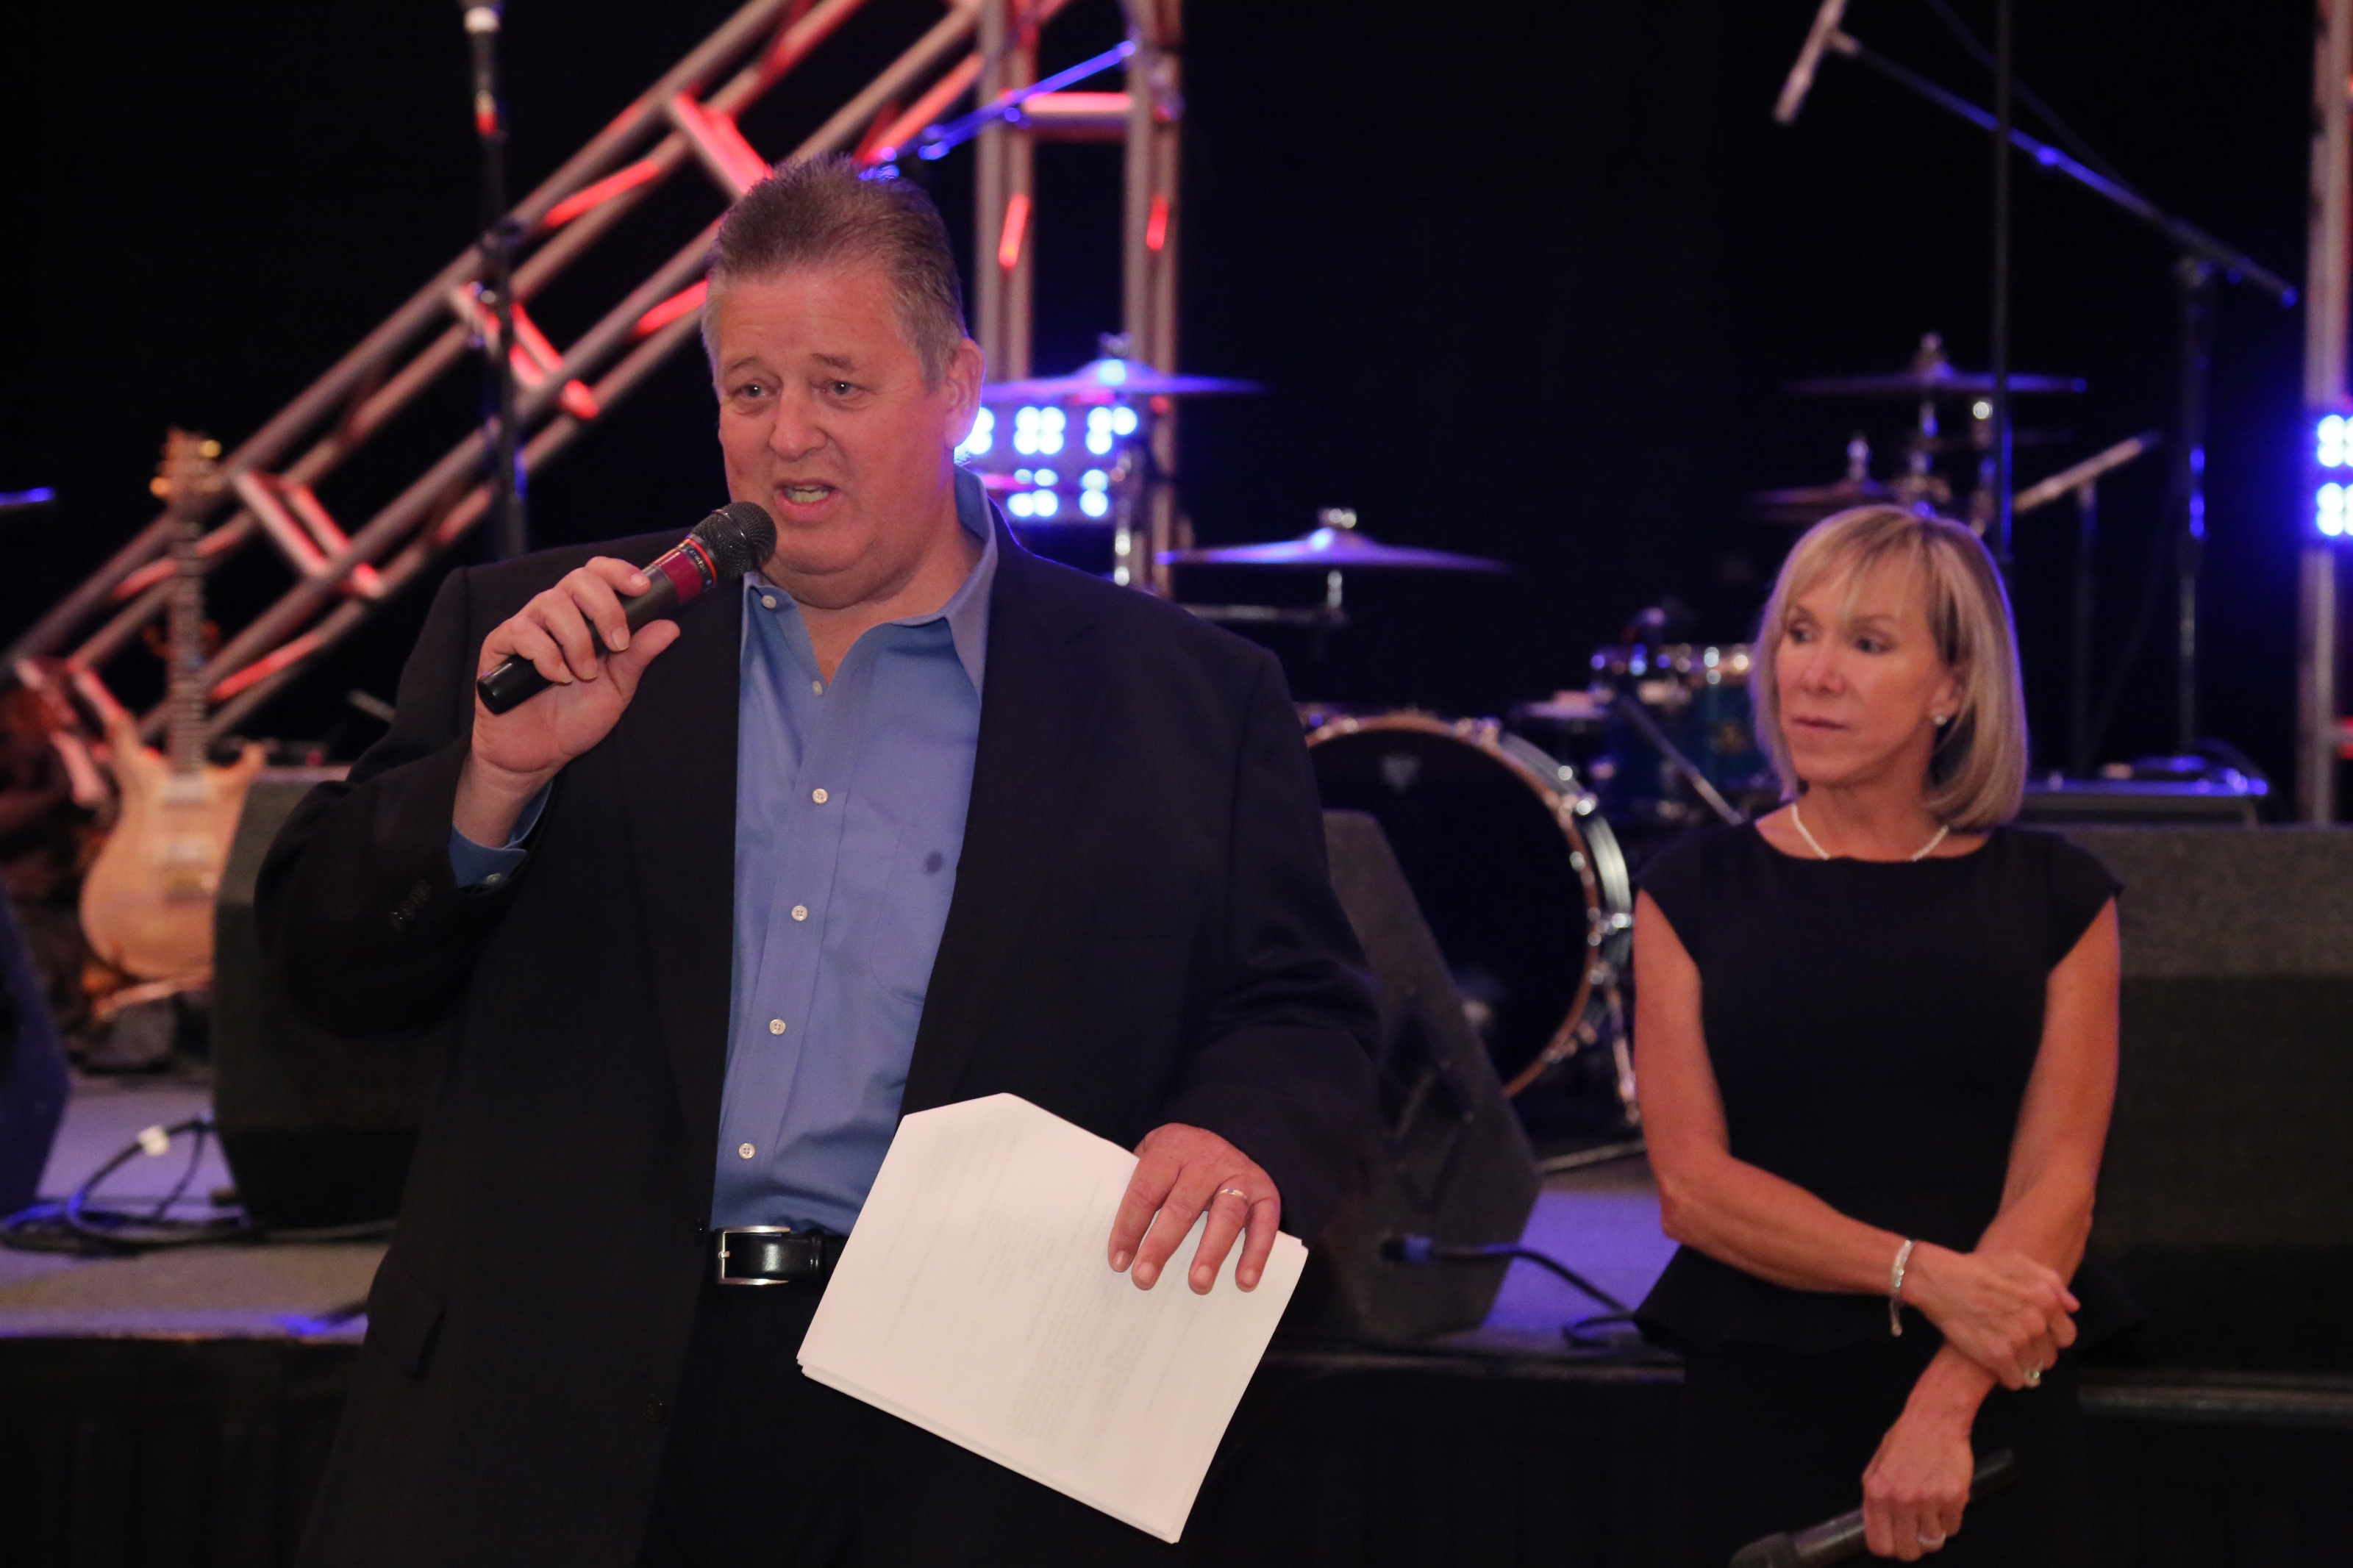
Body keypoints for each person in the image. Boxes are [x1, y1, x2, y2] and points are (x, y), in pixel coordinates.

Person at [256, 155, 1379, 1568]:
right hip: (549, 1418)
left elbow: (1303, 1006)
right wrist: (497, 776)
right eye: (750, 390)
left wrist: (1233, 1130)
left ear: (957, 388)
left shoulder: (1183, 698)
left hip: (966, 1431)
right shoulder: (551, 632)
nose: (790, 438)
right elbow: (324, 966)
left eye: (840, 386)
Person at [1632, 506, 2130, 1565]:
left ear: (1953, 686)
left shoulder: (2060, 896)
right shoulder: (1692, 890)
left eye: (1867, 643)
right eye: (1799, 634)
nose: (1814, 674)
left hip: (1993, 1382)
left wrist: (1945, 1405)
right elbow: (1694, 1188)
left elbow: (2059, 1184)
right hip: (1766, 1385)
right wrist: (1925, 1275)